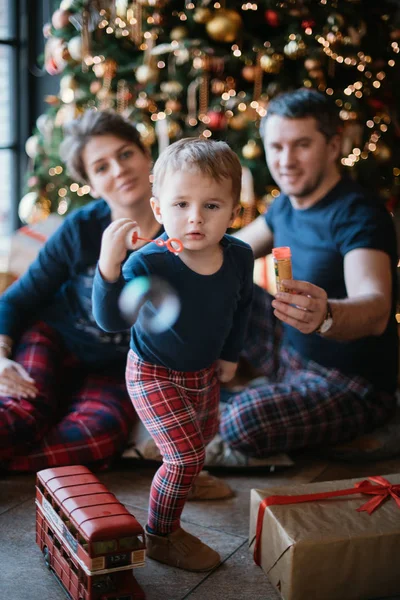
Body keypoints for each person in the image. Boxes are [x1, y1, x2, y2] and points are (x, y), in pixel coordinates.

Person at [207, 88, 398, 464]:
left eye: (301, 145)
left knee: (242, 423)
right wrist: (169, 249)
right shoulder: (285, 206)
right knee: (221, 281)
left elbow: (375, 309)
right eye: (276, 147)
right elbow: (228, 252)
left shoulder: (359, 214)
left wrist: (325, 315)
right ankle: (260, 392)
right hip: (290, 353)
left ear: (333, 145)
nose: (286, 161)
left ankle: (373, 426)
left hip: (348, 381)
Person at [92, 137, 254, 571]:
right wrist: (109, 266)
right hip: (152, 372)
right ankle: (162, 534)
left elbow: (242, 309)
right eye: (181, 205)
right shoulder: (149, 262)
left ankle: (186, 481)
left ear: (234, 210)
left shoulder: (238, 256)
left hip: (203, 371)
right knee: (183, 455)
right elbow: (110, 320)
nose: (195, 218)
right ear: (159, 210)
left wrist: (231, 355)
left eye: (212, 206)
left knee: (200, 440)